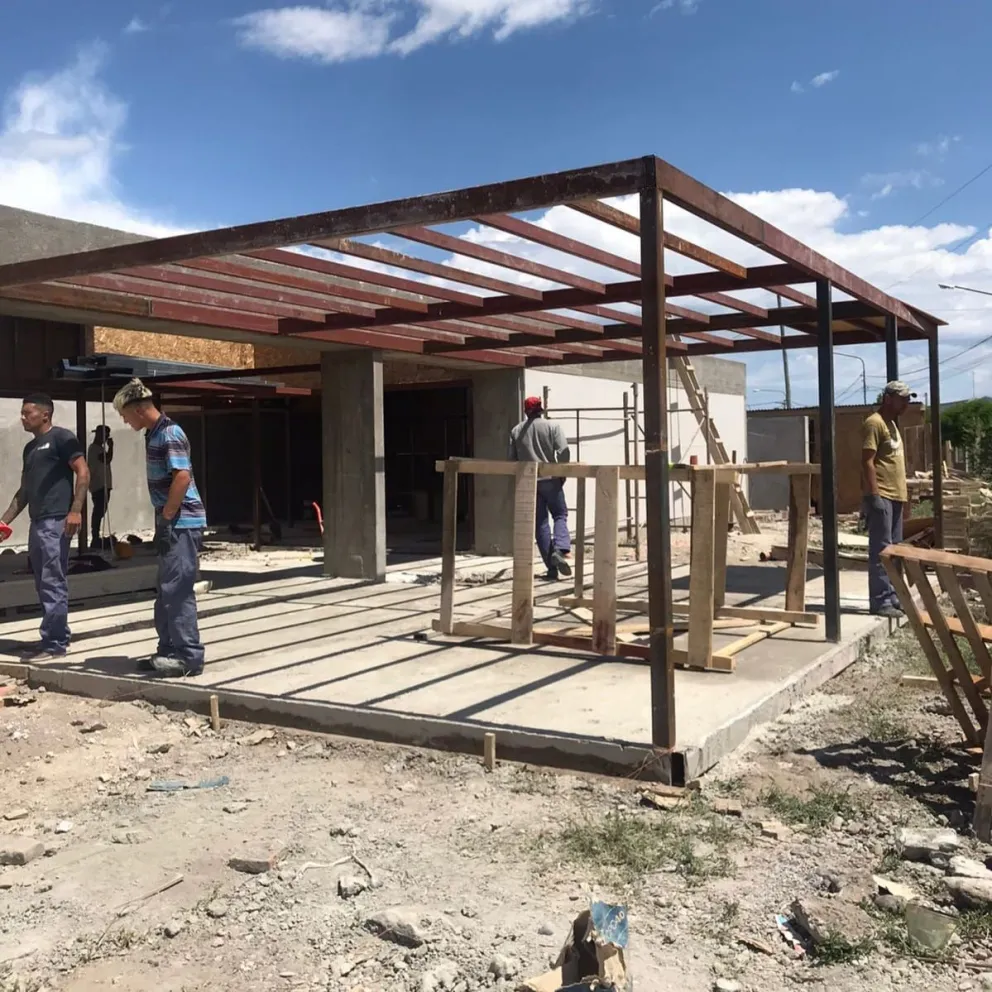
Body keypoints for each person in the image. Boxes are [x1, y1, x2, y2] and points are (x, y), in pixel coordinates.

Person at [113, 379, 207, 677]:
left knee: (177, 589)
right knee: (166, 589)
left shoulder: (169, 433)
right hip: (171, 519)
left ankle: (188, 657)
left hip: (181, 521)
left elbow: (182, 477)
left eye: (125, 415)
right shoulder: (154, 434)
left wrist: (166, 517)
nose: (124, 421)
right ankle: (167, 651)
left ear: (139, 410)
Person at [0, 393, 89, 660]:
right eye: (22, 413)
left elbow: (83, 471)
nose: (23, 417)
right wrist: (4, 521)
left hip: (57, 521)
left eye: (27, 413)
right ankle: (52, 635)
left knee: (52, 581)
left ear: (45, 415)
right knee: (42, 582)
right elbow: (24, 491)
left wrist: (76, 510)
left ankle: (55, 644)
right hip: (37, 522)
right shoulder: (30, 449)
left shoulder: (62, 438)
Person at [862, 380, 914, 618]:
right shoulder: (874, 423)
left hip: (896, 496)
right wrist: (874, 495)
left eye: (908, 399)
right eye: (902, 399)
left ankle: (892, 596)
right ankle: (880, 600)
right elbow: (867, 461)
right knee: (881, 550)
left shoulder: (892, 424)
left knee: (895, 550)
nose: (906, 404)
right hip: (882, 494)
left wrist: (905, 498)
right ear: (888, 398)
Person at [509, 396, 572, 582]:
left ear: (525, 411)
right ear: (541, 409)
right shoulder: (552, 427)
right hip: (550, 480)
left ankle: (551, 569)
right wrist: (561, 473)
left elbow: (511, 459)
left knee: (541, 524)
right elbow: (563, 452)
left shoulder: (516, 431)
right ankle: (561, 549)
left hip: (528, 482)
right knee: (560, 514)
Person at [87, 425, 114, 548]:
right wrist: (111, 447)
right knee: (99, 511)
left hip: (103, 484)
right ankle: (95, 537)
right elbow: (107, 459)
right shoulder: (94, 449)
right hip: (99, 485)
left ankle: (96, 536)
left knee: (101, 510)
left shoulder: (99, 449)